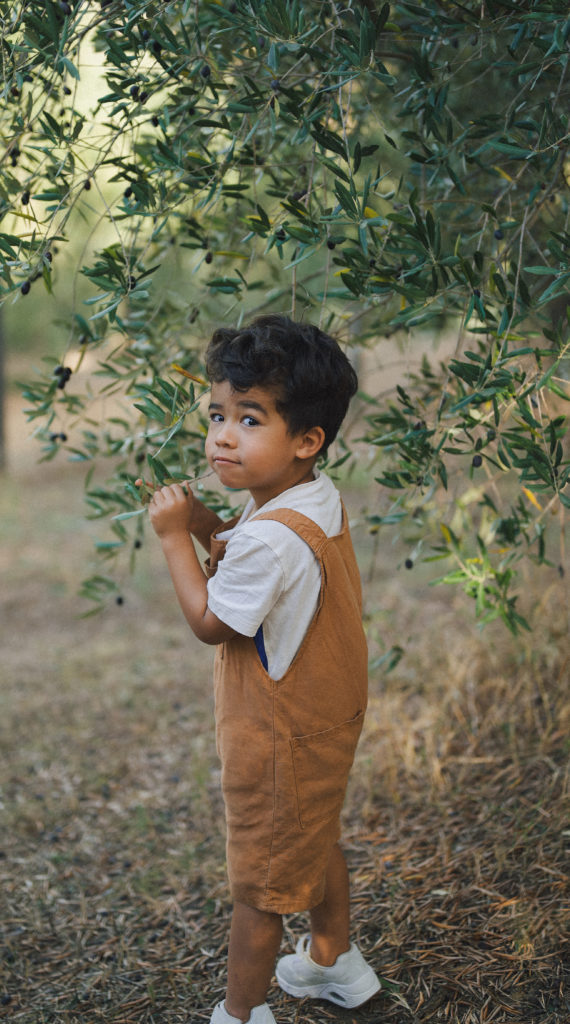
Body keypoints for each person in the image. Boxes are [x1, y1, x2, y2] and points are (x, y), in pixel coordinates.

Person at [145, 314, 380, 1024]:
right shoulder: (309, 499)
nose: (222, 435)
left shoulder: (268, 541)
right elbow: (249, 547)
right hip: (322, 722)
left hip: (276, 738)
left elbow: (212, 623)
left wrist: (171, 542)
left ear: (306, 440)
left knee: (260, 888)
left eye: (250, 419)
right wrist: (202, 522)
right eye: (218, 414)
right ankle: (334, 962)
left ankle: (239, 1016)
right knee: (314, 838)